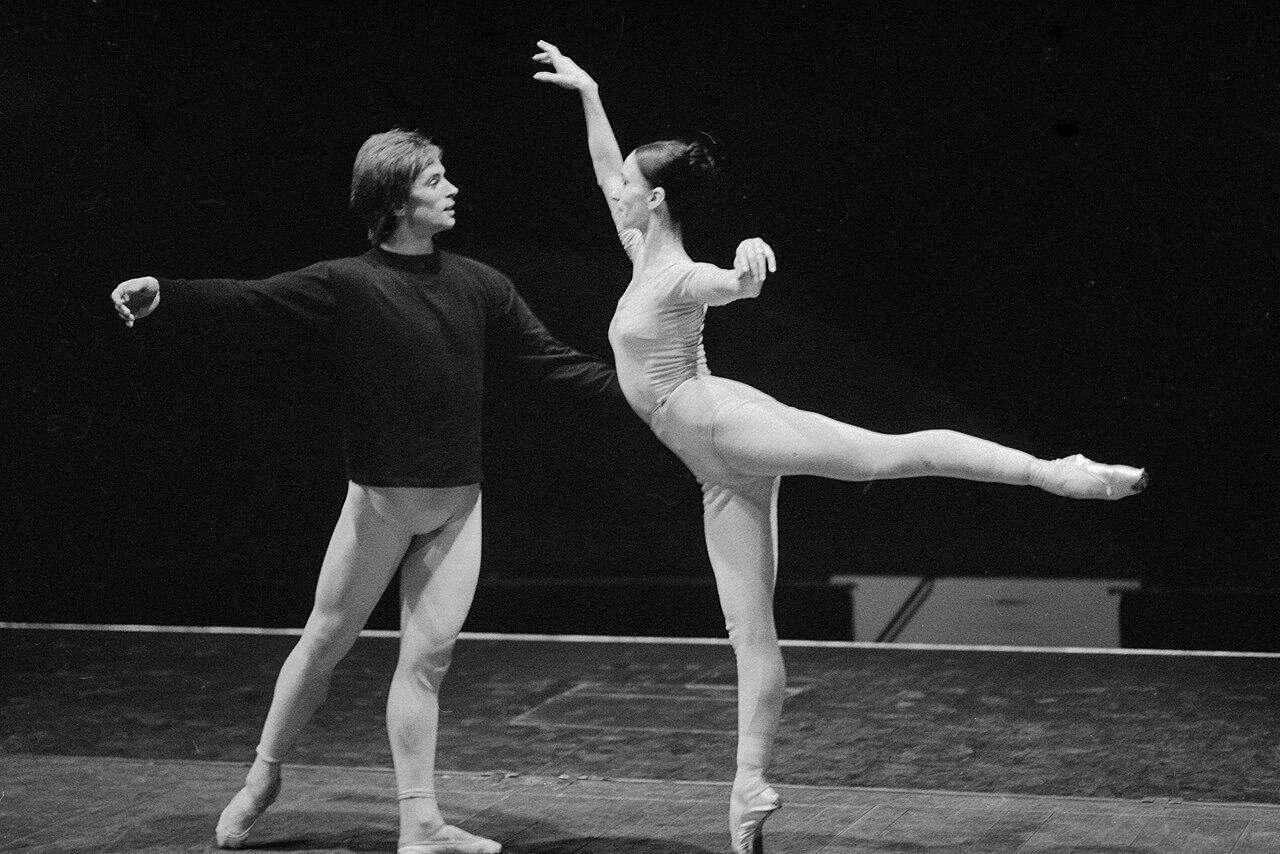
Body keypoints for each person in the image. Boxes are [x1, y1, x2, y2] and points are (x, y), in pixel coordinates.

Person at [531, 40, 1147, 854]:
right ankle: (748, 792)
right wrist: (590, 93)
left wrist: (747, 268)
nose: (617, 189)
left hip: (722, 423)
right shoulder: (640, 245)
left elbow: (735, 286)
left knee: (888, 454)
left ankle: (1059, 474)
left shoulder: (680, 273)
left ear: (657, 201)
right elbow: (605, 163)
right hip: (710, 470)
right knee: (749, 631)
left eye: (631, 187)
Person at [111, 129, 627, 854]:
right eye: (434, 179)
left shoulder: (482, 284)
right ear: (394, 200)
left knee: (427, 661)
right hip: (381, 505)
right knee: (325, 642)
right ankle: (263, 778)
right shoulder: (347, 283)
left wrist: (648, 395)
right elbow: (252, 300)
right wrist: (165, 293)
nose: (452, 188)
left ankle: (420, 823)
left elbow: (551, 361)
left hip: (457, 505)